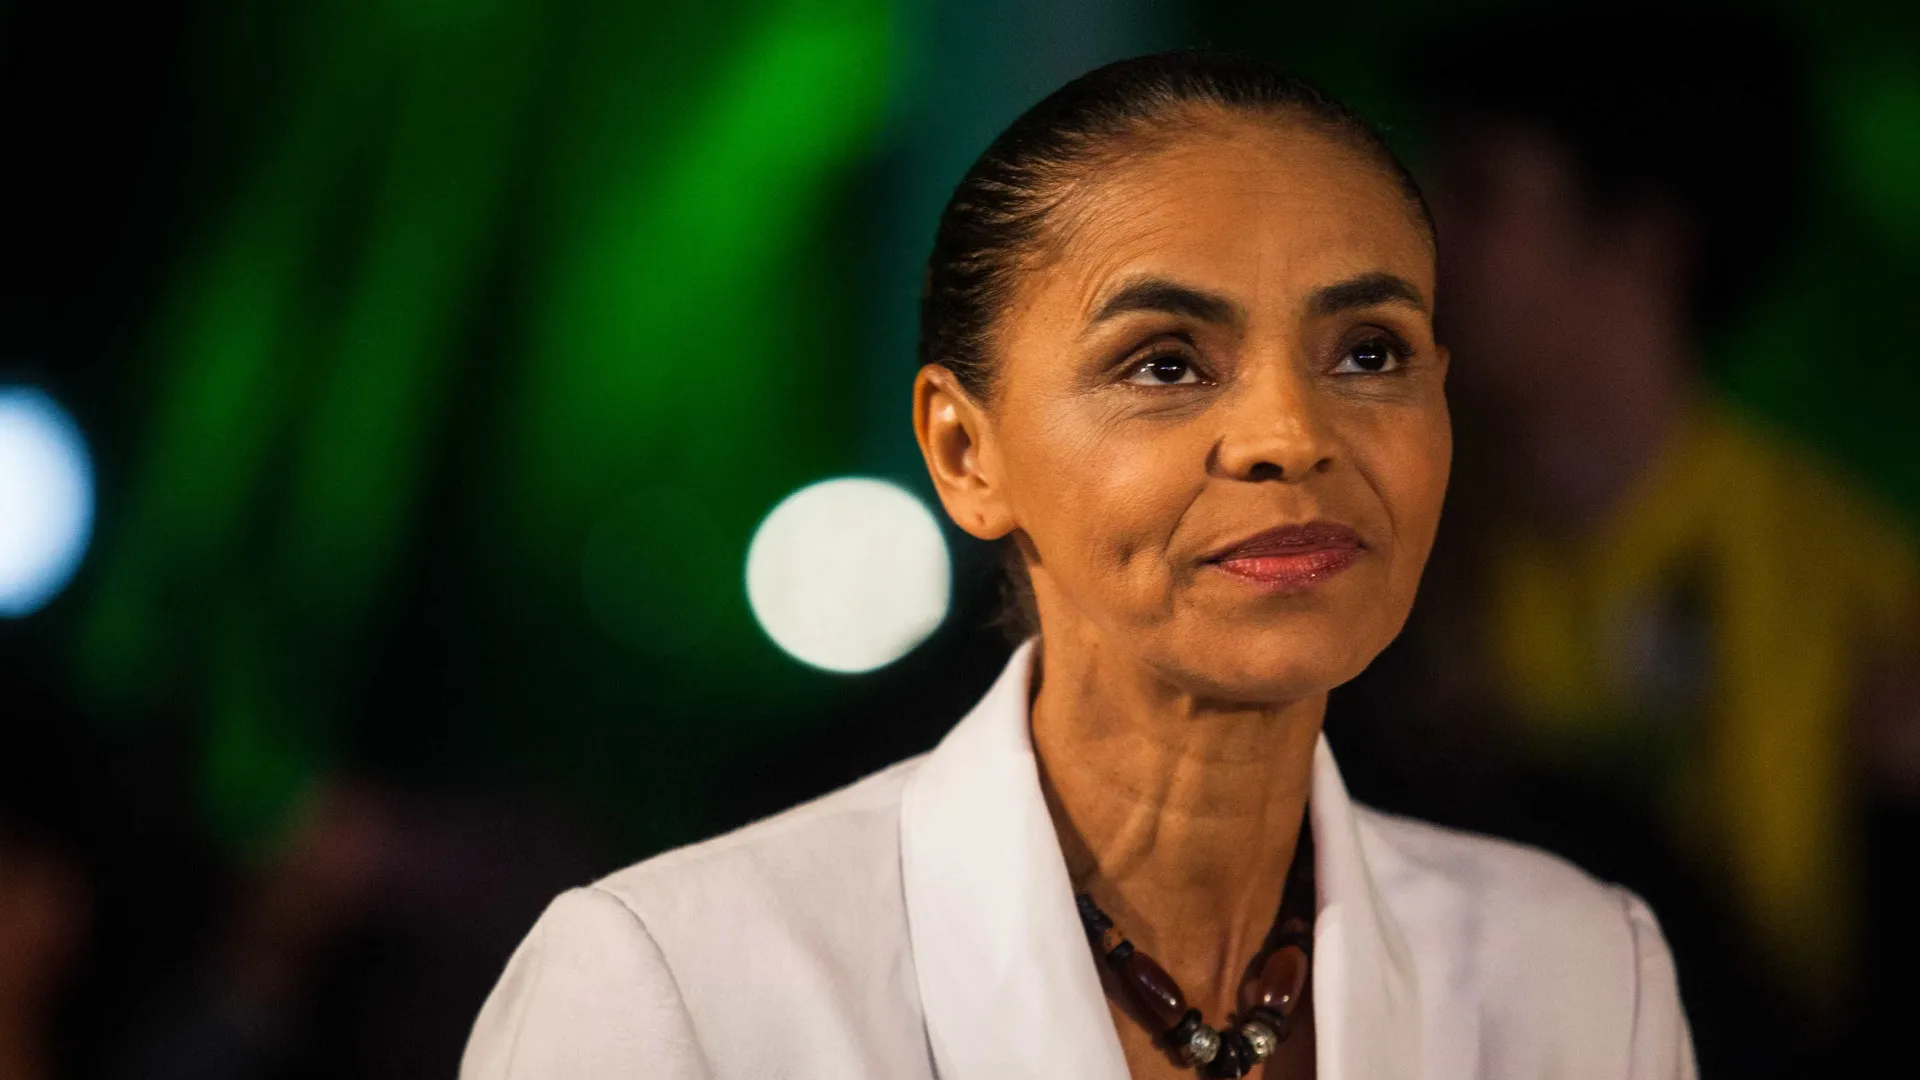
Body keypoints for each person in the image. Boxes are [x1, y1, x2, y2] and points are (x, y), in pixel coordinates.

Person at [460, 51, 1696, 1080]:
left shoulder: (1581, 974)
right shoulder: (677, 987)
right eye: (1166, 363)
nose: (1289, 434)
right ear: (966, 452)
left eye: (1369, 352)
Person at [1398, 13, 1920, 1057]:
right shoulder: (1386, 560)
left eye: (1478, 192)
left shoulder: (1856, 599)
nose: (1419, 239)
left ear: (1641, 246)